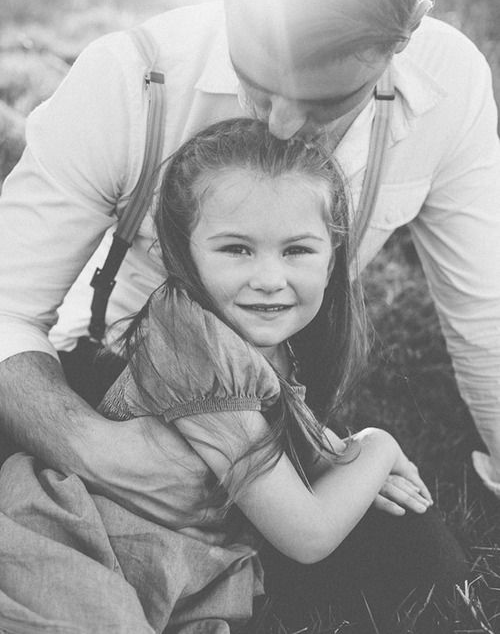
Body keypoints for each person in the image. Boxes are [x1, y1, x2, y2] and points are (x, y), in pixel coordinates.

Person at [0, 0, 499, 532]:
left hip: (275, 411)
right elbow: (6, 306)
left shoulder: (448, 84)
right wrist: (96, 451)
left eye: (325, 102)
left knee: (421, 551)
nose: (285, 128)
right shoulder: (128, 78)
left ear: (406, 34)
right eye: (257, 85)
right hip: (113, 376)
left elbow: (485, 309)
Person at [0, 119, 469, 632]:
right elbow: (306, 534)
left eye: (297, 250)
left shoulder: (263, 344)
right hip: (73, 545)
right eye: (236, 249)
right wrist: (378, 446)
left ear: (333, 260)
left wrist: (337, 456)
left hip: (167, 568)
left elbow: (275, 440)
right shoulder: (195, 343)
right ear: (183, 253)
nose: (269, 279)